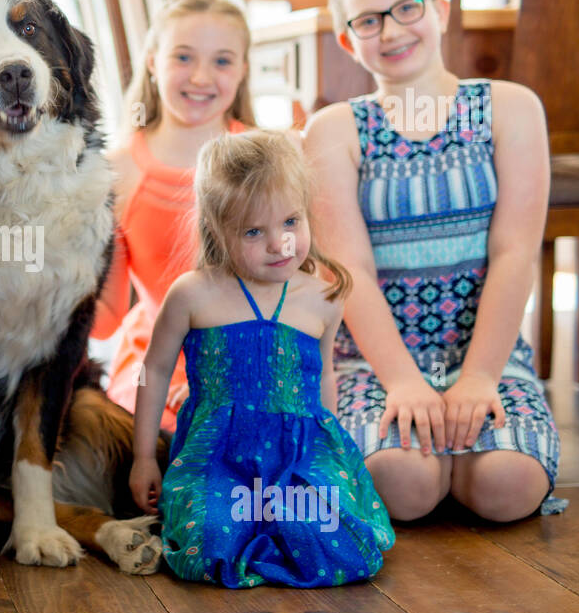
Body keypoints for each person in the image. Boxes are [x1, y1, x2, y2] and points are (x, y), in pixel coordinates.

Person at [303, 0, 565, 523]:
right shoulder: (335, 129)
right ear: (349, 41)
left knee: (509, 487)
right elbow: (349, 271)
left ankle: (469, 459)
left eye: (407, 8)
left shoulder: (509, 108)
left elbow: (514, 252)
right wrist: (401, 380)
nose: (392, 30)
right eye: (369, 20)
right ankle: (431, 461)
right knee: (403, 485)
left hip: (484, 352)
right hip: (374, 360)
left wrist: (478, 377)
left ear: (441, 11)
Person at [130, 130, 394, 587]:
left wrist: (334, 462)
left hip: (300, 454)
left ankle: (279, 529)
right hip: (219, 457)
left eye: (291, 222)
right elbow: (153, 371)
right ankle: (248, 533)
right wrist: (143, 458)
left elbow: (324, 378)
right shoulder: (194, 294)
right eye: (254, 231)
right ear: (217, 228)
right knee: (207, 544)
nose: (280, 244)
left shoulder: (323, 296)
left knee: (338, 545)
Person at [93, 0, 256, 433]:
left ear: (242, 71)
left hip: (255, 356)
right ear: (151, 60)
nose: (201, 77)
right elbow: (105, 319)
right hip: (156, 365)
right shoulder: (115, 171)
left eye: (222, 61)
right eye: (183, 57)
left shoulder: (268, 160)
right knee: (173, 440)